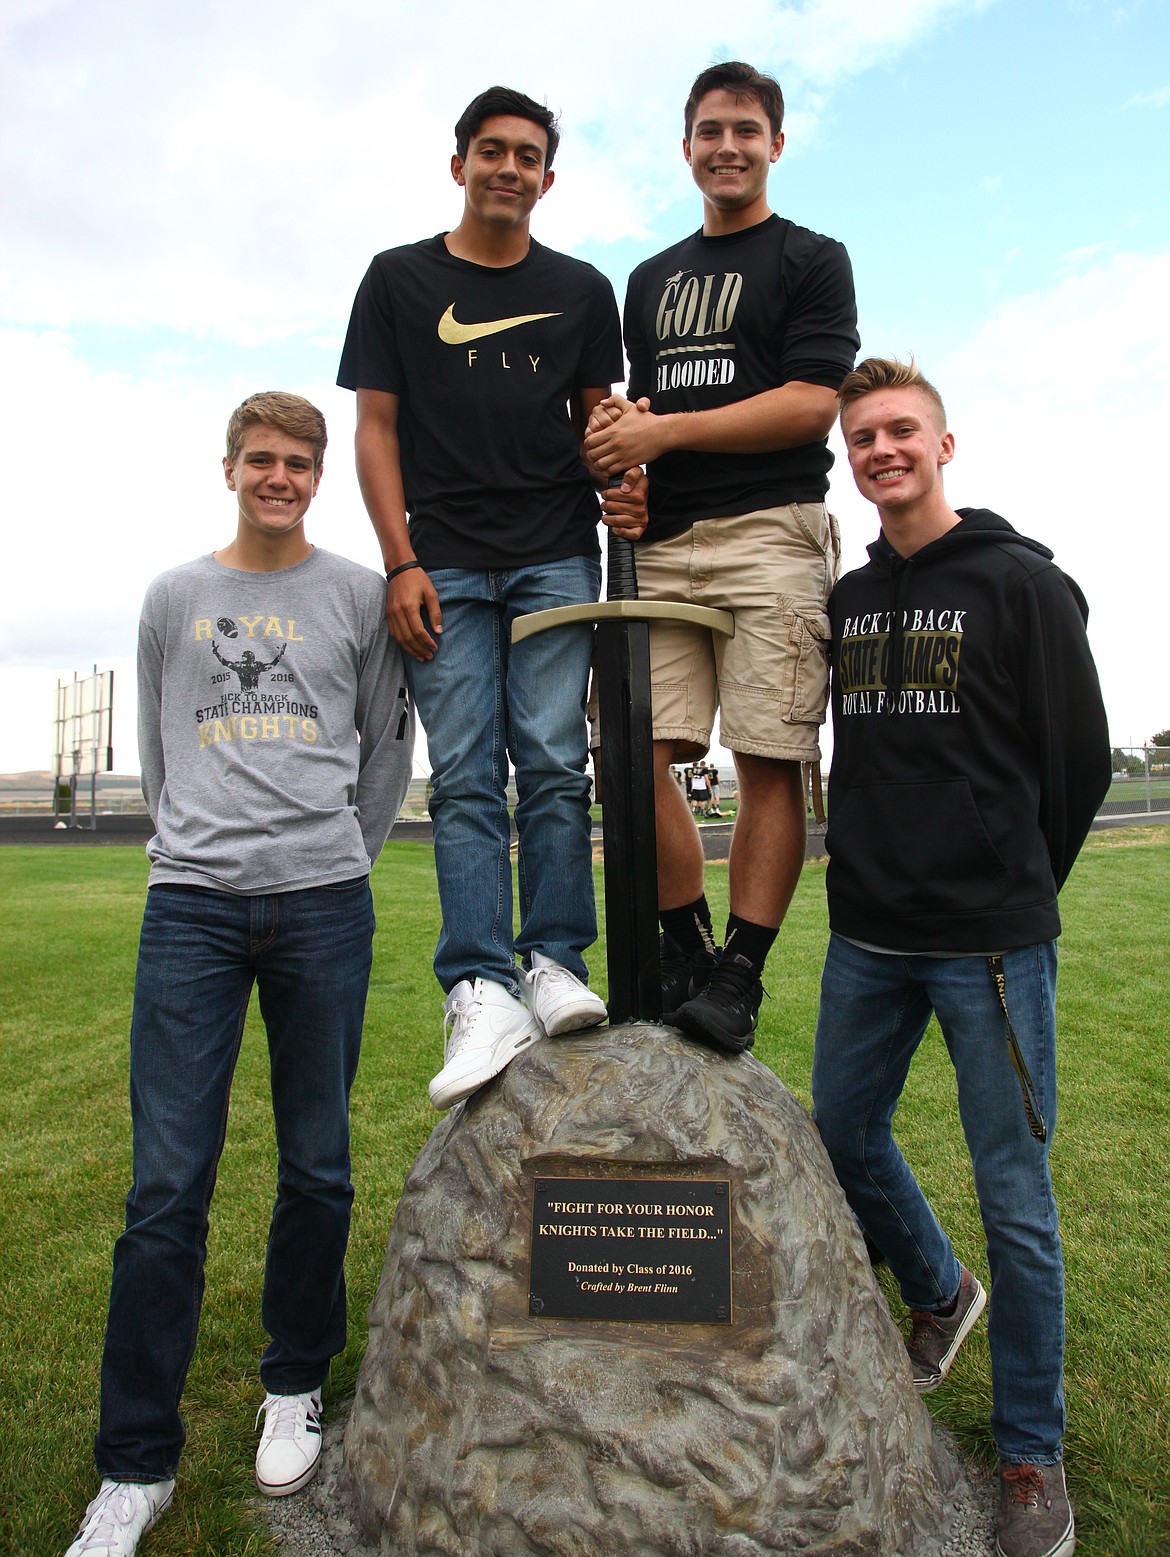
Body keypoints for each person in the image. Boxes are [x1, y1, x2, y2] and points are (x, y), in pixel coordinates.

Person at [64, 393, 414, 1557]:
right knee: (166, 1186)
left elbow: (383, 740)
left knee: (317, 1165)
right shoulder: (177, 597)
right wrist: (195, 847)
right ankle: (135, 1465)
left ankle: (293, 1385)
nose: (279, 478)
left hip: (323, 902)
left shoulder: (358, 595)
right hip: (193, 911)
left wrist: (342, 856)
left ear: (318, 475)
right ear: (228, 469)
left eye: (299, 463)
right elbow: (164, 750)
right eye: (260, 460)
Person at [811, 357, 1110, 1557]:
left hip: (988, 946)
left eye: (902, 432)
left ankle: (1030, 1456)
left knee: (1018, 1202)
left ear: (944, 445)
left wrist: (1007, 878)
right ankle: (939, 1292)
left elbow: (1078, 762)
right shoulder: (850, 599)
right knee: (840, 1132)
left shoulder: (1023, 585)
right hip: (870, 937)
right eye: (864, 437)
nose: (883, 449)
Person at [338, 86, 645, 1112]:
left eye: (528, 156)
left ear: (548, 179)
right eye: (491, 151)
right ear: (459, 163)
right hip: (445, 565)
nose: (509, 168)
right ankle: (477, 983)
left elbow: (601, 426)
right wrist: (399, 560)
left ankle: (553, 960)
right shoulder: (397, 279)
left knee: (555, 764)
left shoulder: (583, 289)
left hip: (558, 552)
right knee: (468, 776)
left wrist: (628, 479)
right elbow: (375, 430)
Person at [585, 61, 858, 1054]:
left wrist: (666, 439)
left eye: (747, 129)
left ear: (776, 144)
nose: (728, 147)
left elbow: (810, 402)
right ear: (687, 146)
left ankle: (741, 973)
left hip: (771, 533)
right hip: (660, 549)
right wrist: (629, 467)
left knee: (769, 754)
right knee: (629, 755)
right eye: (710, 130)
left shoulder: (812, 259)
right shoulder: (650, 281)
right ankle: (688, 947)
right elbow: (642, 418)